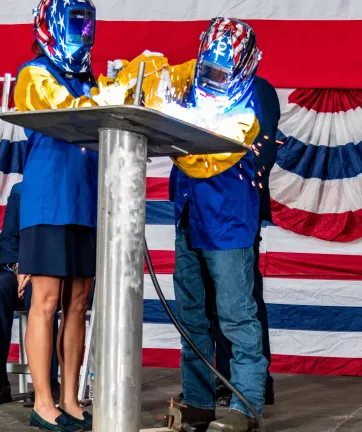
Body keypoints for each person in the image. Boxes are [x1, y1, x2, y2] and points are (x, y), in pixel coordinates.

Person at [98, 17, 269, 432]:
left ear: (244, 65)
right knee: (191, 316)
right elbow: (148, 83)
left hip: (229, 224)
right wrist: (141, 75)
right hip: (188, 219)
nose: (211, 79)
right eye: (207, 69)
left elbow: (207, 155)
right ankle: (198, 401)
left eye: (220, 73)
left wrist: (171, 130)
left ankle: (246, 406)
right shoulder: (189, 79)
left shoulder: (255, 99)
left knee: (235, 316)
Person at [14, 0, 100, 430]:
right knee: (45, 302)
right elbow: (65, 113)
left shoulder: (92, 79)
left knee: (78, 304)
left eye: (87, 23)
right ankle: (43, 402)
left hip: (88, 202)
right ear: (50, 25)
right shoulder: (34, 72)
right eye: (74, 22)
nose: (82, 32)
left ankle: (70, 398)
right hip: (48, 199)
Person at [202, 75, 280, 408]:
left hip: (238, 209)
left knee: (241, 297)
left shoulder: (258, 89)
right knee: (211, 300)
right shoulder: (204, 89)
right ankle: (222, 378)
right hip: (202, 207)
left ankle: (254, 382)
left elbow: (261, 153)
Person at [0, 182, 61, 407]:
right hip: (21, 269)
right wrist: (18, 267)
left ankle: (47, 382)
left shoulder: (71, 187)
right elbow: (8, 238)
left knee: (39, 292)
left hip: (60, 272)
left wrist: (39, 270)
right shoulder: (21, 190)